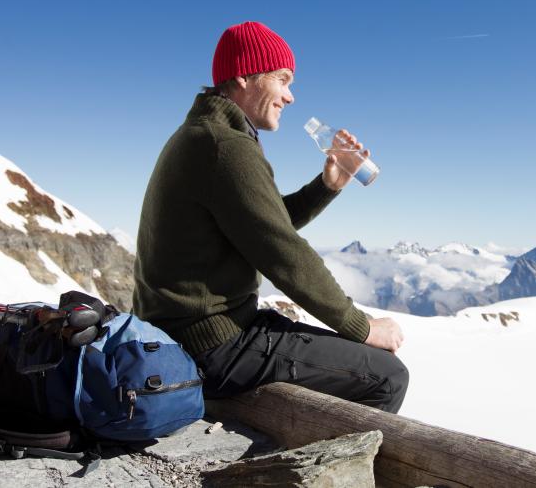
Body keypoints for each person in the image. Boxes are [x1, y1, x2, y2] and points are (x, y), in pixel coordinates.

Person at [132, 22, 408, 413]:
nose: (291, 96)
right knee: (388, 376)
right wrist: (362, 327)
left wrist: (327, 185)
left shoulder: (206, 134)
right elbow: (282, 251)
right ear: (245, 76)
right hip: (210, 345)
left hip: (195, 331)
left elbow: (260, 226)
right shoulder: (224, 146)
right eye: (283, 79)